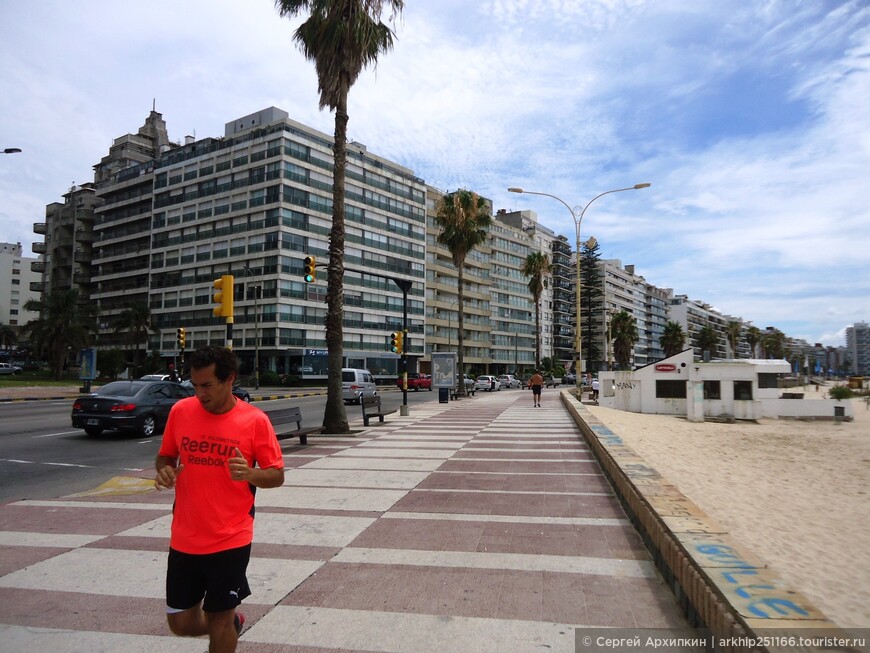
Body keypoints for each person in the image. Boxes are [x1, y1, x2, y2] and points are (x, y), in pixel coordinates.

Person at [154, 345, 285, 653]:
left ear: (229, 380)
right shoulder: (181, 412)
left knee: (219, 620)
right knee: (181, 623)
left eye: (207, 385)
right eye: (195, 385)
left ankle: (226, 625)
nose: (199, 393)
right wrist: (165, 471)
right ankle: (232, 624)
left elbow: (276, 475)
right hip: (185, 536)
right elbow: (165, 456)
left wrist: (251, 475)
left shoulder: (254, 421)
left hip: (231, 537)